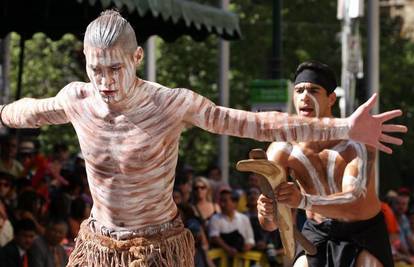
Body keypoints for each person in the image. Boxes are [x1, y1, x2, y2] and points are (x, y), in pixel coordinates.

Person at [0, 10, 406, 266]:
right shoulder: (78, 99)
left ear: (137, 58)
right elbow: (28, 110)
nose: (105, 81)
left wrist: (343, 128)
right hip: (97, 243)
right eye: (95, 69)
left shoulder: (172, 104)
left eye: (114, 68)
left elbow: (254, 124)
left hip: (156, 247)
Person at [257, 61, 395, 267]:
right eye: (299, 90)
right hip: (317, 231)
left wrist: (302, 200)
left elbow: (354, 203)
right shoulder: (281, 149)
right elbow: (269, 225)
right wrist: (267, 211)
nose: (305, 96)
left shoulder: (355, 143)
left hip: (362, 230)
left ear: (331, 98)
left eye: (313, 90)